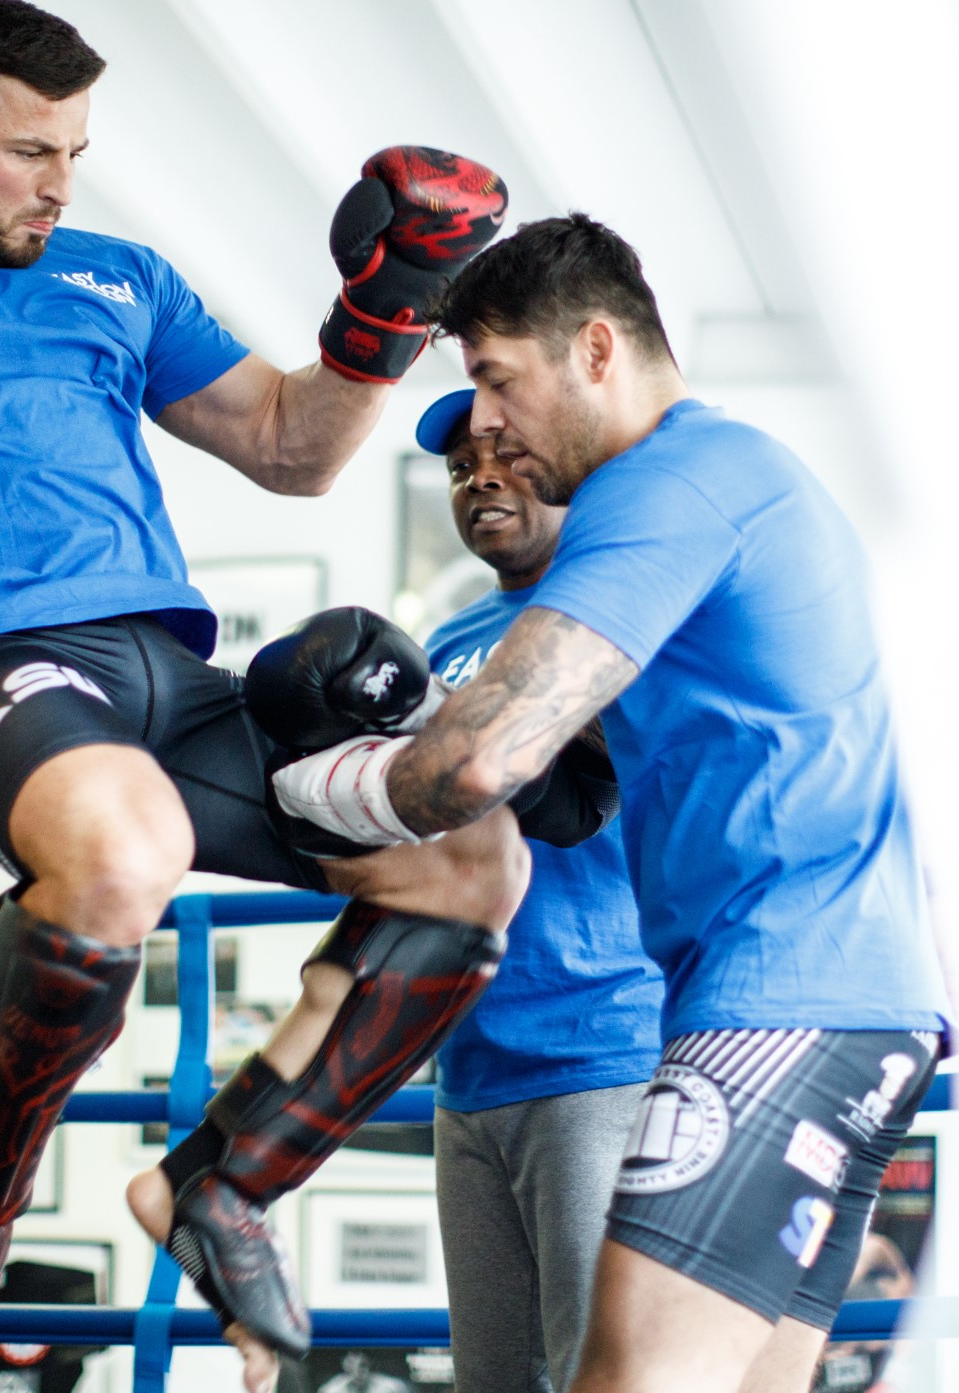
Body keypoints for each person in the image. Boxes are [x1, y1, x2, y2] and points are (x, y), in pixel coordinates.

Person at [0, 4, 522, 1387]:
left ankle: (225, 1183)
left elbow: (293, 446)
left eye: (75, 151)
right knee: (128, 844)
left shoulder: (120, 277)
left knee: (467, 855)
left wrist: (390, 307)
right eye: (29, 152)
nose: (60, 183)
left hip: (169, 683)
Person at [267, 215, 951, 1393]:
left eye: (497, 380)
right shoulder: (718, 478)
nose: (484, 423)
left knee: (626, 1372)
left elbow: (478, 763)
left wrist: (283, 792)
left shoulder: (666, 486)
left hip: (781, 995)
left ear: (596, 349)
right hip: (831, 996)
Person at [414, 389, 664, 1393]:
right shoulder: (441, 646)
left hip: (600, 1048)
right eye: (460, 468)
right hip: (468, 1065)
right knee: (494, 1380)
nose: (480, 478)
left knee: (603, 1373)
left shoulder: (617, 611)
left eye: (506, 456)